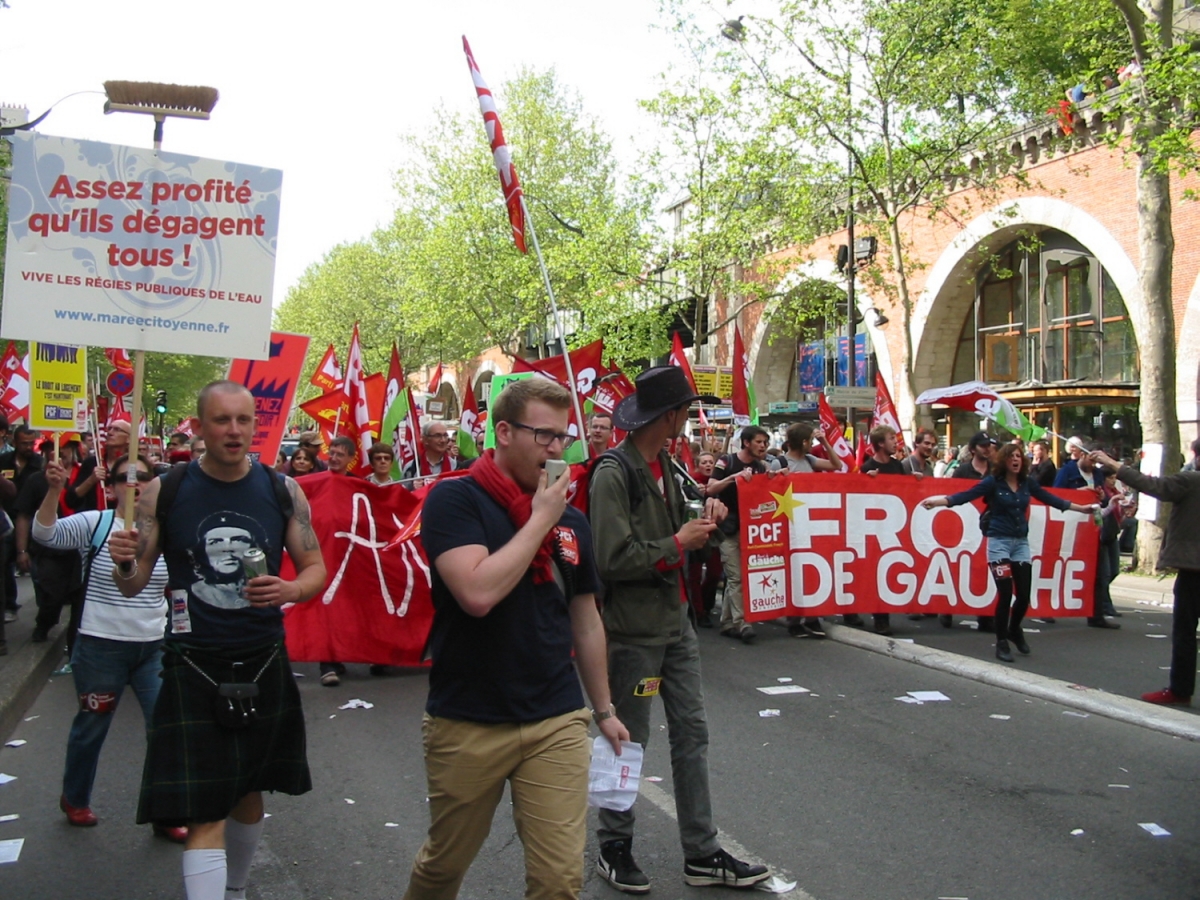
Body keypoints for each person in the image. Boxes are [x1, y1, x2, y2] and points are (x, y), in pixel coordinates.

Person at [400, 377, 628, 900]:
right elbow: (477, 593)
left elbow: (586, 618)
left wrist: (605, 709)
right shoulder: (455, 501)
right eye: (543, 436)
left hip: (555, 716)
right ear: (503, 432)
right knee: (444, 865)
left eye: (562, 439)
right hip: (469, 718)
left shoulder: (570, 522)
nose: (555, 450)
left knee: (558, 880)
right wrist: (539, 520)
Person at [108, 381, 327, 900]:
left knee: (249, 793)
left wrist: (292, 587)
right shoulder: (169, 490)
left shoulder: (282, 490)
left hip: (262, 657)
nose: (234, 431)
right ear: (200, 426)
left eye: (243, 420)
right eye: (222, 420)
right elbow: (133, 582)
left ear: (256, 424)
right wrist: (123, 558)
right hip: (194, 661)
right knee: (207, 806)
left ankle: (234, 889)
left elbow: (316, 567)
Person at [589, 366, 769, 893]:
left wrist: (706, 520)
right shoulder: (613, 472)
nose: (688, 418)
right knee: (629, 739)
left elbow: (686, 528)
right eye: (686, 410)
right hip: (634, 633)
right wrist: (679, 544)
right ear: (668, 415)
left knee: (693, 735)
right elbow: (610, 557)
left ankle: (702, 850)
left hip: (677, 627)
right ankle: (614, 845)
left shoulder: (667, 465)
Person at [33, 454, 180, 838]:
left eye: (144, 478)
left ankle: (164, 812)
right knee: (92, 727)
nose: (134, 486)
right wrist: (53, 491)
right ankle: (75, 798)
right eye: (123, 480)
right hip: (100, 647)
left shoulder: (168, 530)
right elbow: (44, 534)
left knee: (164, 730)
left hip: (153, 648)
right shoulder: (94, 524)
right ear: (110, 488)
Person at [922, 443, 1097, 662]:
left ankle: (1014, 629)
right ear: (1004, 461)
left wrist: (1082, 509)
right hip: (999, 543)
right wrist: (939, 502)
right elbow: (965, 496)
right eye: (1011, 456)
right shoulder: (993, 483)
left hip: (1020, 544)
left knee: (1023, 595)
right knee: (1005, 594)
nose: (1016, 460)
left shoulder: (1026, 483)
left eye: (1019, 456)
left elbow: (1051, 499)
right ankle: (1002, 641)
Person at [1091, 448, 1199, 705]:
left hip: (1193, 568)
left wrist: (1112, 464)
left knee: (1185, 631)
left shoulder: (1191, 481)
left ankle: (1180, 690)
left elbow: (1154, 485)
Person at [706, 425, 770, 643]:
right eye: (759, 442)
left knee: (739, 577)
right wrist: (734, 478)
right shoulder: (726, 461)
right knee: (736, 577)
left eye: (765, 443)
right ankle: (743, 623)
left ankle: (726, 622)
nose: (763, 446)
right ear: (746, 443)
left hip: (750, 530)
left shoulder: (761, 467)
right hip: (727, 529)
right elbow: (711, 488)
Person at [781, 422, 839, 638]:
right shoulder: (779, 462)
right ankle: (794, 620)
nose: (813, 444)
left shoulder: (810, 460)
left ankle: (812, 618)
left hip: (809, 525)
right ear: (803, 442)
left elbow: (836, 464)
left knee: (809, 570)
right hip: (789, 526)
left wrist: (825, 441)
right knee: (794, 572)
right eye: (811, 440)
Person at [320, 434, 361, 686]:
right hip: (323, 556)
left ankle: (341, 654)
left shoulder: (358, 485)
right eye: (331, 453)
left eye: (339, 454)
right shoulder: (317, 483)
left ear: (350, 459)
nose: (333, 458)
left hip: (351, 557)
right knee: (326, 607)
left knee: (347, 609)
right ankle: (326, 663)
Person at [2, 425, 44, 625]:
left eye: (31, 443)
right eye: (23, 443)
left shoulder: (41, 465)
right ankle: (10, 604)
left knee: (36, 572)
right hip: (7, 523)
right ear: (14, 442)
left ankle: (45, 612)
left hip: (32, 524)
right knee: (4, 567)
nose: (28, 447)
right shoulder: (3, 462)